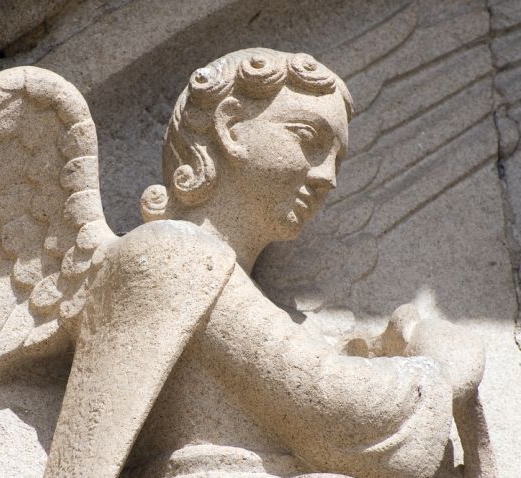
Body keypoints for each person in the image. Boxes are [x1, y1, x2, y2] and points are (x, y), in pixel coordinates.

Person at [45, 49, 492, 478]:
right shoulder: (171, 255)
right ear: (232, 126)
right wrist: (439, 371)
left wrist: (378, 350)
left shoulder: (242, 296)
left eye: (335, 159)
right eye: (309, 140)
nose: (327, 178)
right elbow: (329, 404)